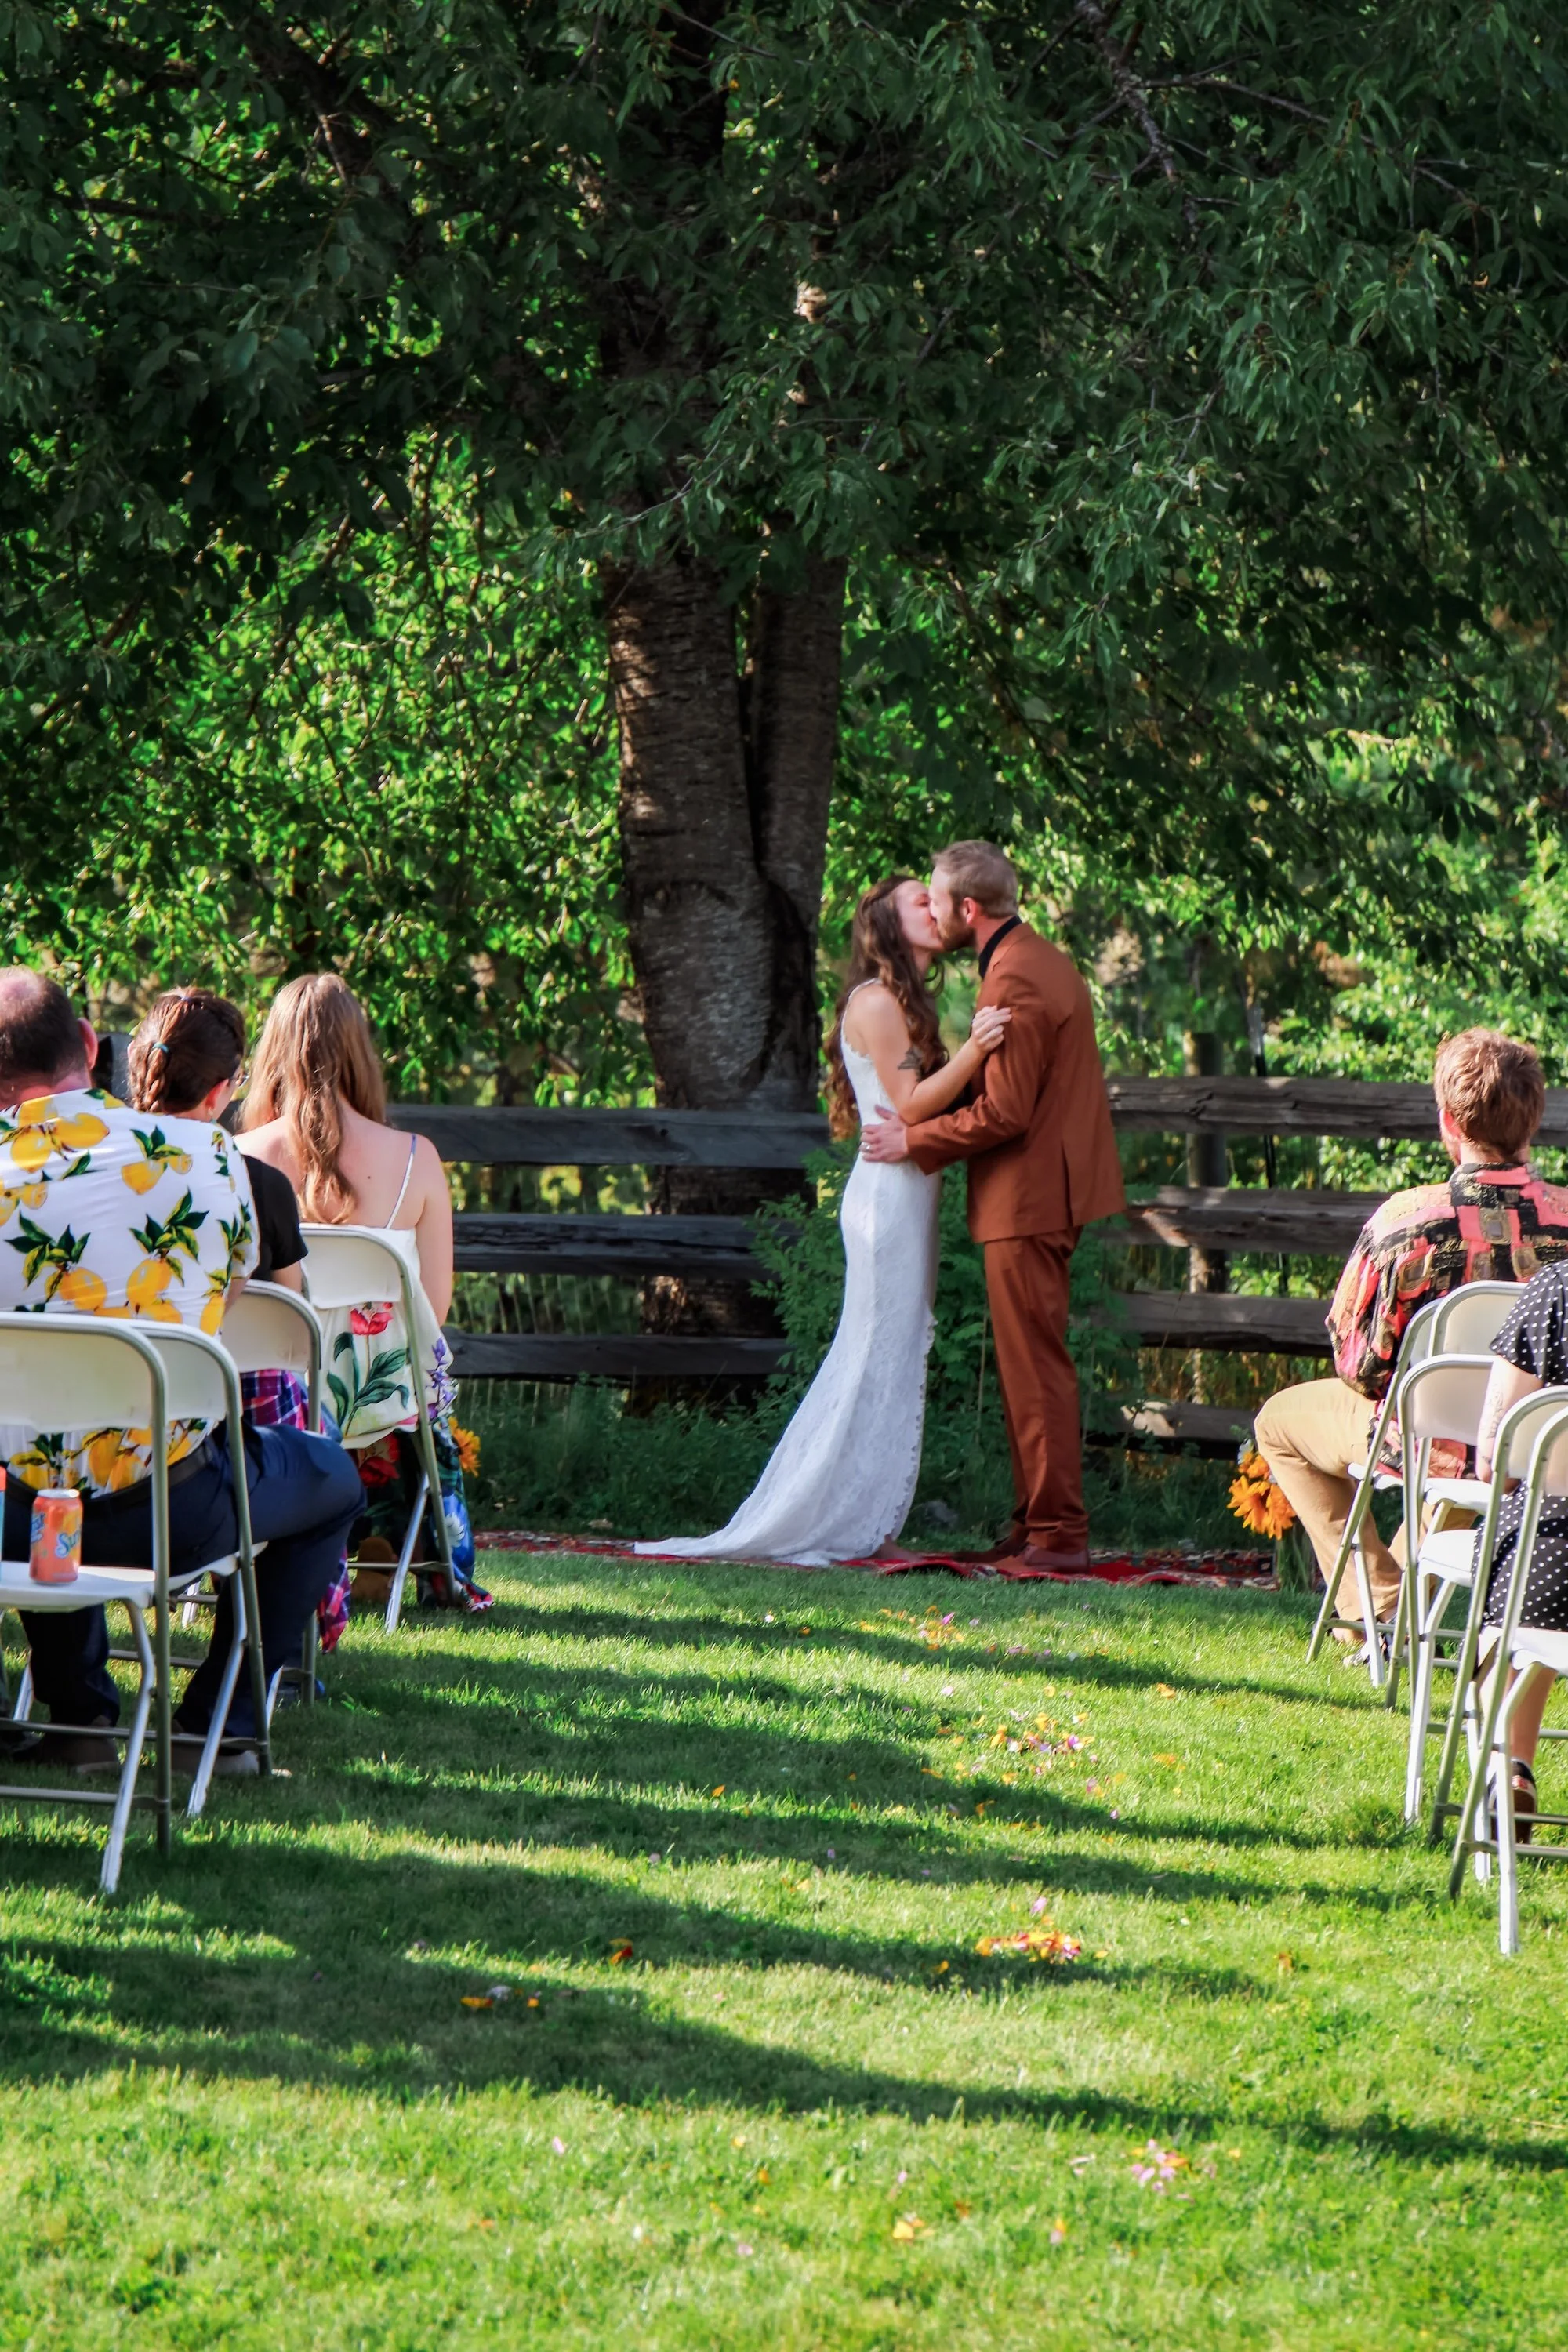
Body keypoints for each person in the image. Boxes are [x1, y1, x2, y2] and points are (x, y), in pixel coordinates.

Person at [0, 969, 361, 1773]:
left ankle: (81, 1717)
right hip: (174, 1510)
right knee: (332, 1479)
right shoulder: (215, 1163)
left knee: (44, 1467)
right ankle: (218, 1724)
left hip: (25, 1524)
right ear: (94, 1048)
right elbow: (230, 1309)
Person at [636, 874, 1011, 1565]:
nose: (934, 907)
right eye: (918, 902)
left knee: (897, 1354)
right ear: (888, 927)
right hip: (888, 1201)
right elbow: (912, 1102)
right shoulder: (875, 1000)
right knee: (875, 1353)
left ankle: (871, 1520)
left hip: (908, 1193)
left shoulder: (904, 1001)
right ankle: (847, 1521)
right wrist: (977, 1048)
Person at [862, 841, 1125, 1572]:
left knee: (1035, 1366)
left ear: (967, 910)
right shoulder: (1035, 956)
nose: (934, 912)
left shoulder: (1013, 978)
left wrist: (915, 1139)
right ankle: (1033, 1521)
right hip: (1041, 1191)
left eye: (939, 902)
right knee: (1025, 1363)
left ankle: (1057, 1536)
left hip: (1032, 1195)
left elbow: (1005, 1114)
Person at [1255, 1028, 1568, 1635]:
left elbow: (1361, 1367)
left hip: (1426, 1439)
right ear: (1532, 1123)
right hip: (1536, 1445)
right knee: (1450, 1453)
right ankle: (1384, 1605)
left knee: (1278, 1423)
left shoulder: (1406, 1221)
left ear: (1449, 1122)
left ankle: (1375, 1603)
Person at [240, 973, 489, 1611]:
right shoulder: (417, 1157)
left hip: (272, 1391)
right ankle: (396, 1546)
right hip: (384, 1398)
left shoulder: (233, 1157)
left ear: (274, 1050)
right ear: (359, 1052)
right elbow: (432, 1310)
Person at [125, 987, 352, 1653]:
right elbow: (291, 1328)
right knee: (327, 1469)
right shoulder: (252, 1185)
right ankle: (236, 1690)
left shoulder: (70, 1175)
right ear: (224, 1089)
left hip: (64, 1467)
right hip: (205, 1452)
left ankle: (79, 1699)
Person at [1469, 1261, 1568, 1841]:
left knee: (1521, 1557)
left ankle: (1510, 1765)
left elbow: (1494, 1461)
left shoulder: (1557, 1289)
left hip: (1552, 1561)